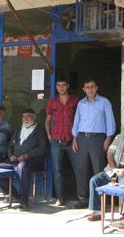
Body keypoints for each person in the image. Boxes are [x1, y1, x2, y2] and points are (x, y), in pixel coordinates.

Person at [71, 77, 116, 209]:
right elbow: (76, 122)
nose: (90, 89)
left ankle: (100, 200)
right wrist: (75, 139)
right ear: (84, 89)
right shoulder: (81, 104)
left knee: (99, 169)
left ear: (96, 88)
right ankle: (83, 198)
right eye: (87, 87)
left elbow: (110, 121)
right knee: (81, 169)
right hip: (82, 138)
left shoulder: (104, 102)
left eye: (92, 87)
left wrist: (108, 138)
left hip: (98, 138)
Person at [0, 108, 48, 211]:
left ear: (34, 117)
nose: (25, 119)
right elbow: (10, 145)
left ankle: (24, 201)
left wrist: (27, 155)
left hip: (34, 161)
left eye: (28, 116)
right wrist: (10, 155)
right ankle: (14, 194)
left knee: (22, 167)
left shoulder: (40, 131)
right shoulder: (19, 130)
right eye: (23, 117)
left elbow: (42, 149)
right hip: (15, 160)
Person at [45, 77, 80, 206]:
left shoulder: (75, 100)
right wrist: (49, 134)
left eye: (64, 85)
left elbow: (80, 119)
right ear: (56, 87)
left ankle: (82, 197)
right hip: (56, 140)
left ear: (68, 86)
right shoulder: (52, 102)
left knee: (78, 169)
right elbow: (47, 120)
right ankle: (60, 197)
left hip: (72, 140)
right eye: (59, 85)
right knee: (57, 170)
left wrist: (77, 137)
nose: (61, 88)